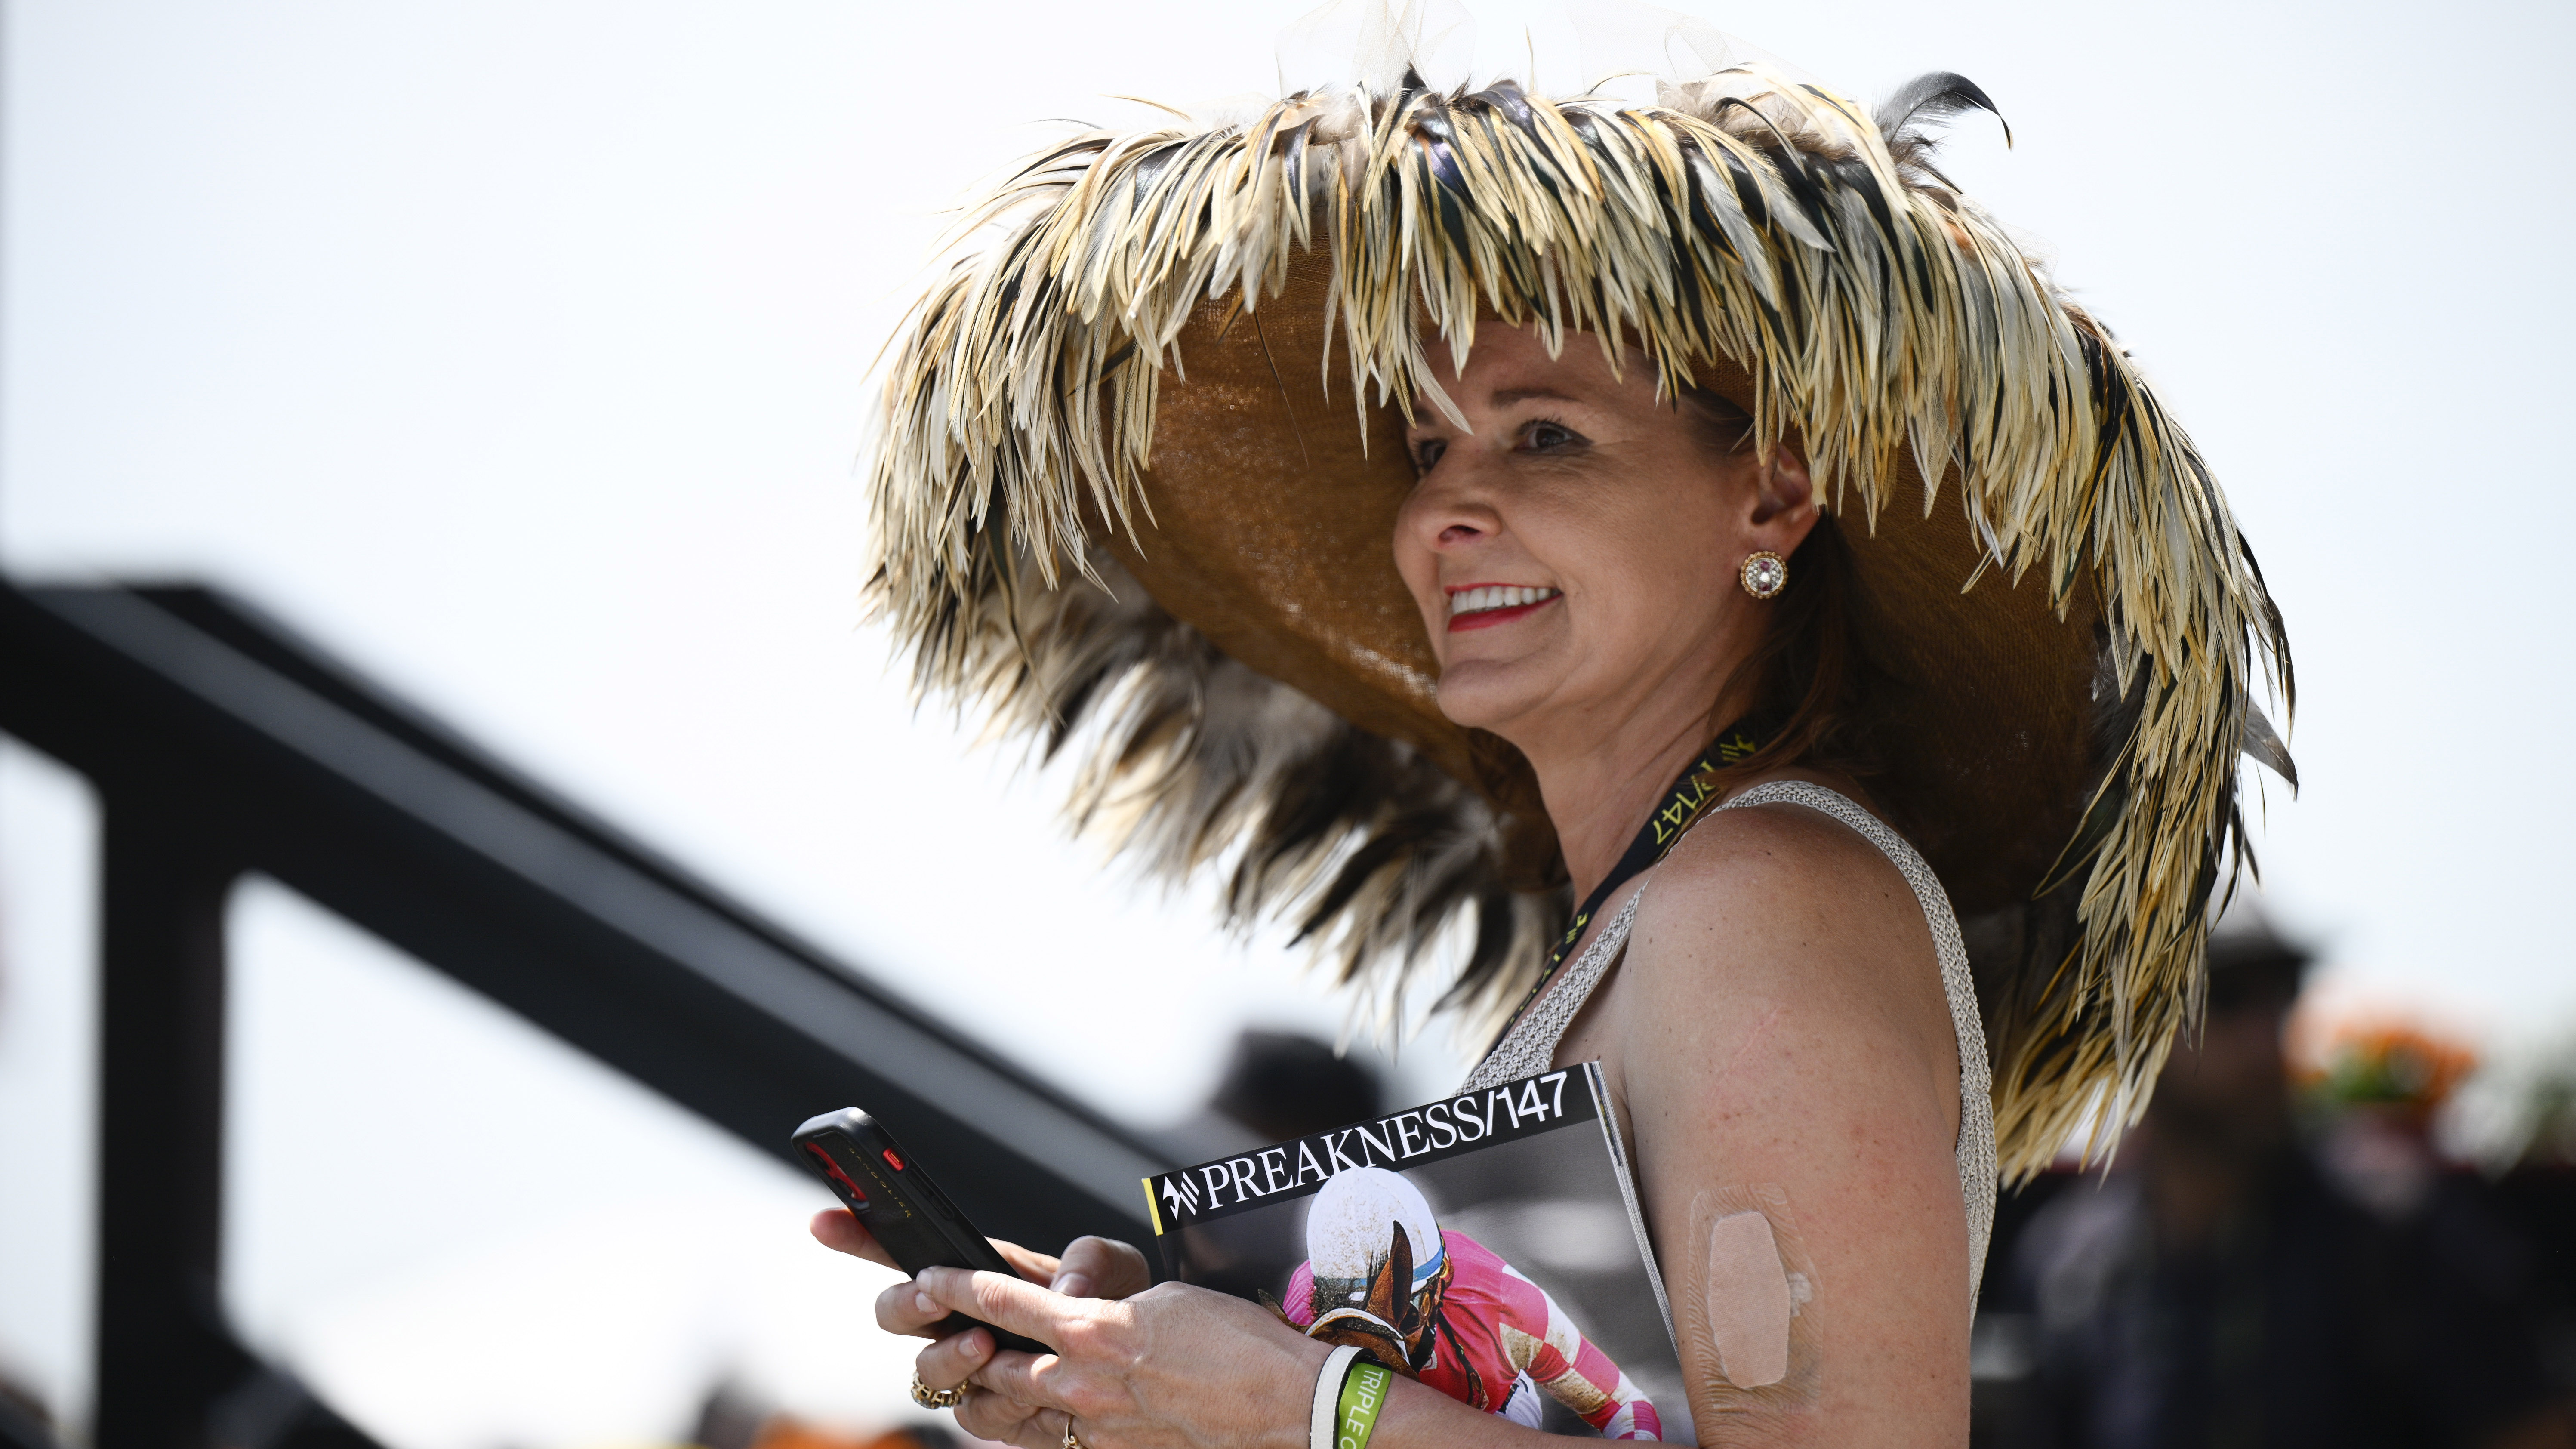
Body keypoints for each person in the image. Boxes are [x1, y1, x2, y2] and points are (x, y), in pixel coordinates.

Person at [814, 28, 2293, 1449]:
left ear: (1770, 499)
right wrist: (1148, 1377)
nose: (1441, 510)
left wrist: (1299, 1409)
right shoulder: (1672, 907)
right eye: (1426, 447)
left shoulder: (1760, 899)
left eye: (1543, 435)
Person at [1284, 1168, 1661, 1439]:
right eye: (1345, 1321)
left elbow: (1625, 1406)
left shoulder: (1505, 1304)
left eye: (1400, 1311)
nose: (1384, 1348)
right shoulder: (1299, 1307)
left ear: (1439, 1285)